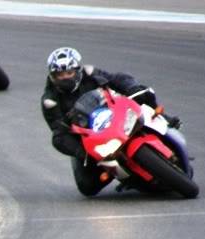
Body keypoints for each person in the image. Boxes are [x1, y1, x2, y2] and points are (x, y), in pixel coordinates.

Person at [40, 47, 181, 196]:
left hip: (115, 116)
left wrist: (132, 88)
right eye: (61, 75)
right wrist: (81, 152)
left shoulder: (89, 74)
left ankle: (163, 119)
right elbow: (58, 134)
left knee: (142, 94)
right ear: (53, 76)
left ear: (77, 70)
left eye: (69, 73)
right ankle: (124, 177)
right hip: (88, 139)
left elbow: (117, 78)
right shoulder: (50, 101)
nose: (66, 77)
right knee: (86, 187)